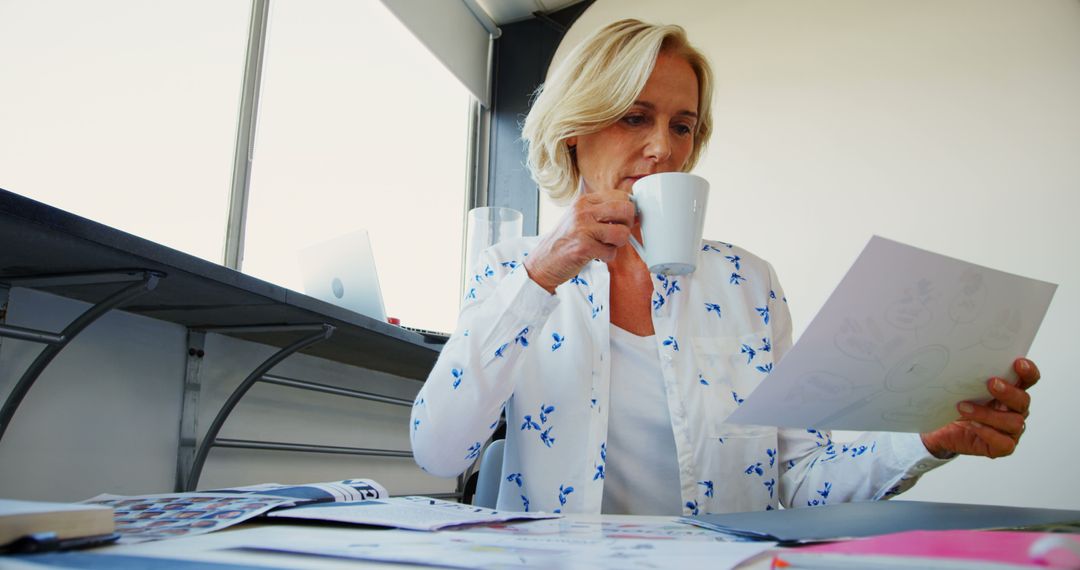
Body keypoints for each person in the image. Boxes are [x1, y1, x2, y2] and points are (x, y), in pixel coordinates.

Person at [410, 19, 1039, 515]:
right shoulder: (510, 271)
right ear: (575, 129)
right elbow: (439, 451)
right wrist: (541, 276)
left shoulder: (749, 283)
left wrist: (928, 442)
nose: (664, 147)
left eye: (681, 125)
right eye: (635, 116)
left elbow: (799, 480)